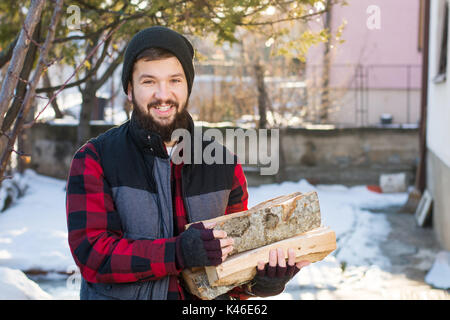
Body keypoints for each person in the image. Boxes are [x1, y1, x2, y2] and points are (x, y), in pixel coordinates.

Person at [65, 26, 309, 300]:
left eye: (174, 80)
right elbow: (93, 255)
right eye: (149, 82)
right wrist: (176, 252)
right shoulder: (95, 159)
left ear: (188, 86)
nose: (163, 94)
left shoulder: (224, 165)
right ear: (130, 90)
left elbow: (233, 267)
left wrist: (263, 282)